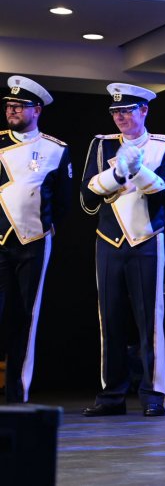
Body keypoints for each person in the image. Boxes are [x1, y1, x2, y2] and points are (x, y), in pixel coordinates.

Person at [80, 83, 165, 417]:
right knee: (110, 320)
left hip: (146, 239)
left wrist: (139, 171)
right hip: (109, 241)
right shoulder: (101, 144)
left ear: (144, 111)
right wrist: (117, 174)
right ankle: (112, 395)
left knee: (150, 321)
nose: (120, 117)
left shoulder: (163, 145)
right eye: (115, 112)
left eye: (127, 111)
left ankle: (154, 394)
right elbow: (87, 196)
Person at [0, 76, 71, 403]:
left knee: (25, 319)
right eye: (9, 106)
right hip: (1, 241)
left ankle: (18, 393)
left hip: (33, 241)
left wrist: (45, 227)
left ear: (37, 110)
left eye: (19, 106)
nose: (12, 111)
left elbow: (63, 202)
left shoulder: (56, 149)